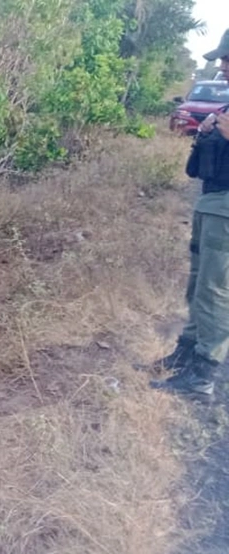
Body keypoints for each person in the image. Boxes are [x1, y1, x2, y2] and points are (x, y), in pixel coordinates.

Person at [151, 29, 229, 399]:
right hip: (210, 202)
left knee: (215, 290)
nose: (223, 67)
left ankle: (203, 375)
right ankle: (186, 355)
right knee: (198, 284)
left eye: (227, 60)